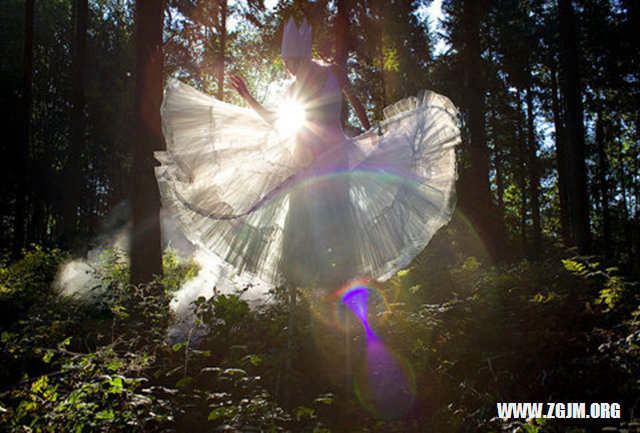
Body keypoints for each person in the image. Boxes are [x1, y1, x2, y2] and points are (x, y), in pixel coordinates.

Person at [155, 17, 459, 291]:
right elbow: (278, 120)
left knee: (334, 226)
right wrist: (248, 97)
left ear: (302, 57)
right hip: (305, 166)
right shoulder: (295, 88)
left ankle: (335, 300)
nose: (287, 67)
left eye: (291, 61)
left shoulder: (329, 74)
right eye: (286, 61)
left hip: (332, 163)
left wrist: (371, 132)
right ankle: (304, 304)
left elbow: (354, 101)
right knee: (303, 230)